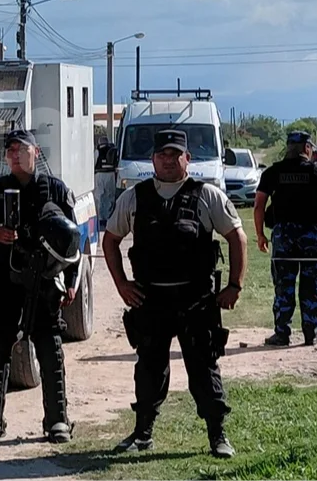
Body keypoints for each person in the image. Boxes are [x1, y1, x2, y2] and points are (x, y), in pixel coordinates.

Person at [102, 129, 247, 459]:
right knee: (149, 369)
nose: (168, 160)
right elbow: (110, 240)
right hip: (151, 301)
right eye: (162, 155)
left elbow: (237, 238)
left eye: (175, 154)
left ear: (187, 159)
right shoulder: (135, 197)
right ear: (152, 159)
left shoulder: (206, 195)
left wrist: (234, 285)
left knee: (204, 369)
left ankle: (217, 435)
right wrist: (122, 284)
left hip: (196, 301)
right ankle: (143, 432)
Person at [0, 129, 80, 444]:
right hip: (3, 281)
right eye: (10, 150)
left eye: (20, 149)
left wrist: (71, 282)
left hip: (43, 281)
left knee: (49, 350)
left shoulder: (54, 189)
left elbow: (73, 241)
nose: (14, 154)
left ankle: (57, 421)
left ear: (35, 152)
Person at [254, 131, 317, 347]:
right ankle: (311, 333)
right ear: (307, 148)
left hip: (283, 237)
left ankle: (282, 333)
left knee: (284, 285)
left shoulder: (273, 172)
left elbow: (259, 205)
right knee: (311, 284)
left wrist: (260, 234)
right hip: (312, 236)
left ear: (288, 147)